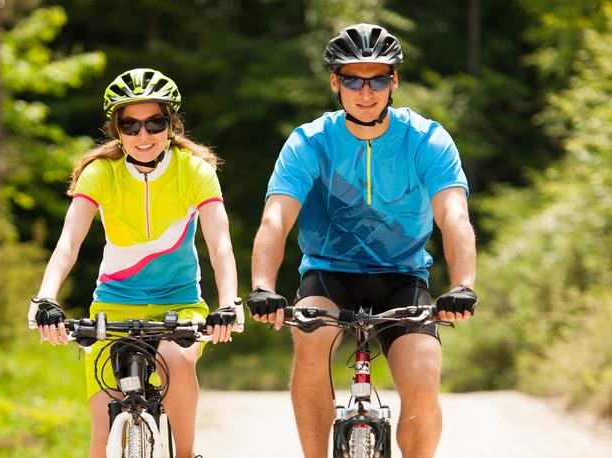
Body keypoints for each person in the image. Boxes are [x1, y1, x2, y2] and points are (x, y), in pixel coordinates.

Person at [246, 23, 478, 458]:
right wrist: (262, 286)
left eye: (378, 78)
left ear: (395, 81)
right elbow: (275, 219)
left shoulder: (426, 139)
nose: (365, 91)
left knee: (424, 382)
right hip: (328, 274)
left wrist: (462, 284)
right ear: (335, 82)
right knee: (310, 341)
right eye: (353, 78)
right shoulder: (310, 141)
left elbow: (454, 216)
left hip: (402, 277)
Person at [28, 68, 240, 458]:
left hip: (179, 305)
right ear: (117, 130)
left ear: (171, 124)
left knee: (176, 359)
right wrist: (45, 297)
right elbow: (68, 242)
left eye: (154, 123)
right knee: (100, 442)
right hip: (113, 305)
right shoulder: (100, 173)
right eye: (131, 125)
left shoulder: (195, 171)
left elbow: (220, 243)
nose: (143, 135)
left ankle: (186, 453)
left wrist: (228, 303)